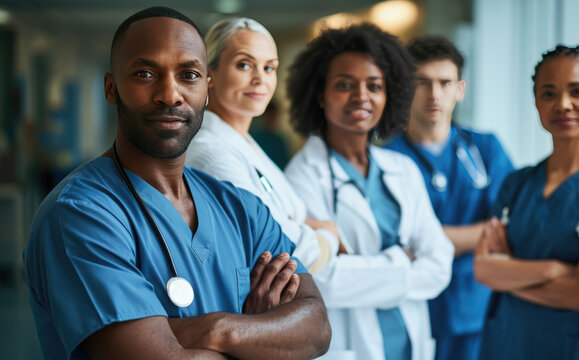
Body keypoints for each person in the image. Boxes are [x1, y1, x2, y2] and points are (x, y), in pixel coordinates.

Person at [22, 7, 330, 360]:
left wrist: (219, 330)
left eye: (188, 74)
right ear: (111, 88)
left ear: (206, 89)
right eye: (145, 73)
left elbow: (317, 327)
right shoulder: (82, 214)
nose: (170, 94)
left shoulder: (242, 208)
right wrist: (263, 338)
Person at [285, 24, 455, 360]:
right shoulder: (303, 176)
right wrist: (400, 260)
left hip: (410, 341)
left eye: (374, 86)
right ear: (320, 95)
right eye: (344, 85)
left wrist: (362, 270)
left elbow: (439, 265)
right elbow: (323, 280)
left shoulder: (402, 169)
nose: (361, 96)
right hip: (349, 345)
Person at [474, 45, 579, 359]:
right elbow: (483, 270)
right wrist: (554, 270)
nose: (563, 104)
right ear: (536, 102)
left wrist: (509, 272)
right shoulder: (517, 184)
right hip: (512, 345)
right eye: (548, 94)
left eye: (577, 91)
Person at [385, 36, 513, 360]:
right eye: (422, 82)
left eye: (445, 82)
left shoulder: (485, 150)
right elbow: (389, 241)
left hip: (477, 309)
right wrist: (480, 233)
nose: (435, 94)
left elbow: (511, 227)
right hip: (412, 309)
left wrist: (430, 242)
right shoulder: (385, 160)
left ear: (460, 88)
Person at [185, 17, 341, 275]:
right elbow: (279, 247)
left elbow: (287, 220)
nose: (260, 79)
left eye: (269, 68)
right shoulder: (211, 153)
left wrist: (306, 226)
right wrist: (328, 236)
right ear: (209, 74)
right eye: (244, 65)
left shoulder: (243, 141)